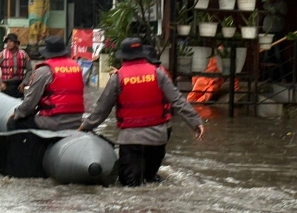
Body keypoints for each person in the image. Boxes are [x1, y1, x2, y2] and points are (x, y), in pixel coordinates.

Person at [78, 37, 205, 186]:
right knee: (150, 180)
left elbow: (102, 110)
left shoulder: (117, 78)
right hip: (157, 140)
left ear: (123, 57)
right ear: (142, 54)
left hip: (131, 140)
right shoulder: (158, 74)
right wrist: (195, 122)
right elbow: (177, 100)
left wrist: (85, 126)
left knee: (130, 186)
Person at [7, 35, 84, 131]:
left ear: (46, 54)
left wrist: (17, 113)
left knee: (14, 123)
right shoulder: (77, 67)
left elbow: (30, 102)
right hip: (77, 121)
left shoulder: (44, 71)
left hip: (54, 122)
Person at [0, 33, 32, 98]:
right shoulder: (2, 55)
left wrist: (24, 83)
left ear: (16, 43)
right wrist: (0, 83)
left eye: (11, 41)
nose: (8, 43)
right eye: (7, 42)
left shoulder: (23, 54)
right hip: (6, 85)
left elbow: (29, 70)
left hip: (19, 86)